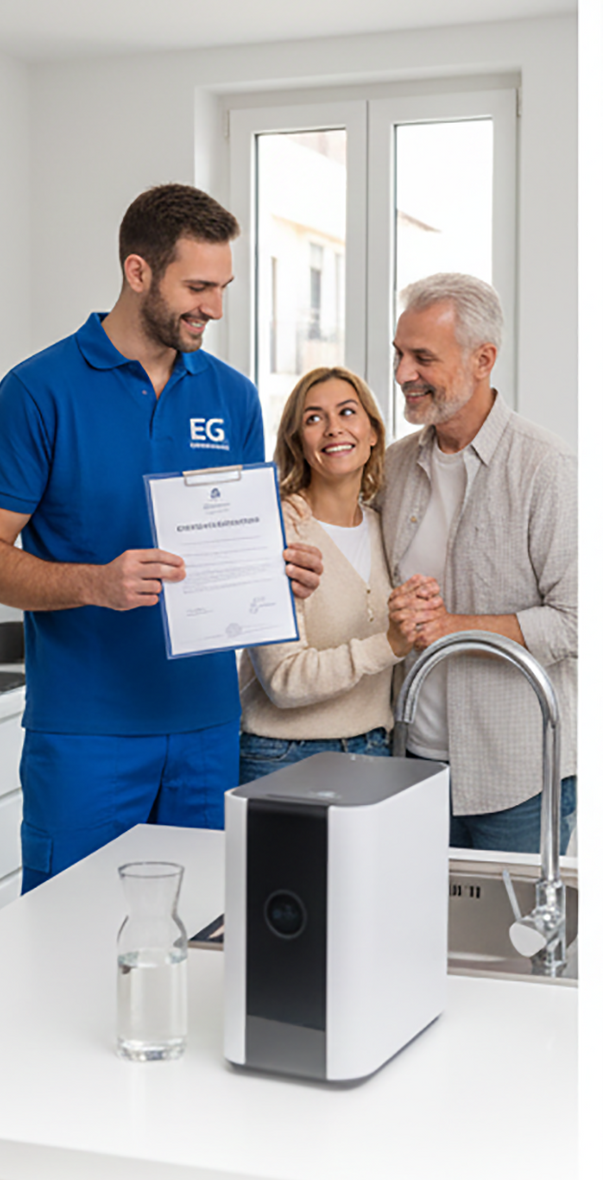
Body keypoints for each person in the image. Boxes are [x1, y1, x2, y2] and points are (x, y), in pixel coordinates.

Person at [0, 182, 321, 891]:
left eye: (224, 286)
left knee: (202, 933)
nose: (216, 308)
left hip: (206, 728)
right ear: (137, 272)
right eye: (198, 286)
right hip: (85, 733)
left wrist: (279, 570)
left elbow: (237, 535)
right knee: (70, 937)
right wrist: (92, 582)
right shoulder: (37, 390)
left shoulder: (232, 396)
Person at [379, 272, 577, 853]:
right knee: (413, 940)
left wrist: (453, 628)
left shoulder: (546, 468)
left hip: (516, 779)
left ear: (483, 358)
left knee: (511, 945)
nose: (401, 375)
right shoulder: (391, 468)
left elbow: (576, 620)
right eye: (398, 354)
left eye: (422, 358)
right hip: (411, 763)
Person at [237, 368, 439, 782]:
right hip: (280, 754)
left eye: (347, 412)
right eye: (313, 419)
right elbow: (282, 680)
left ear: (372, 434)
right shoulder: (277, 529)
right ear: (298, 442)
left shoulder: (389, 527)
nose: (333, 429)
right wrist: (387, 645)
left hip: (375, 750)